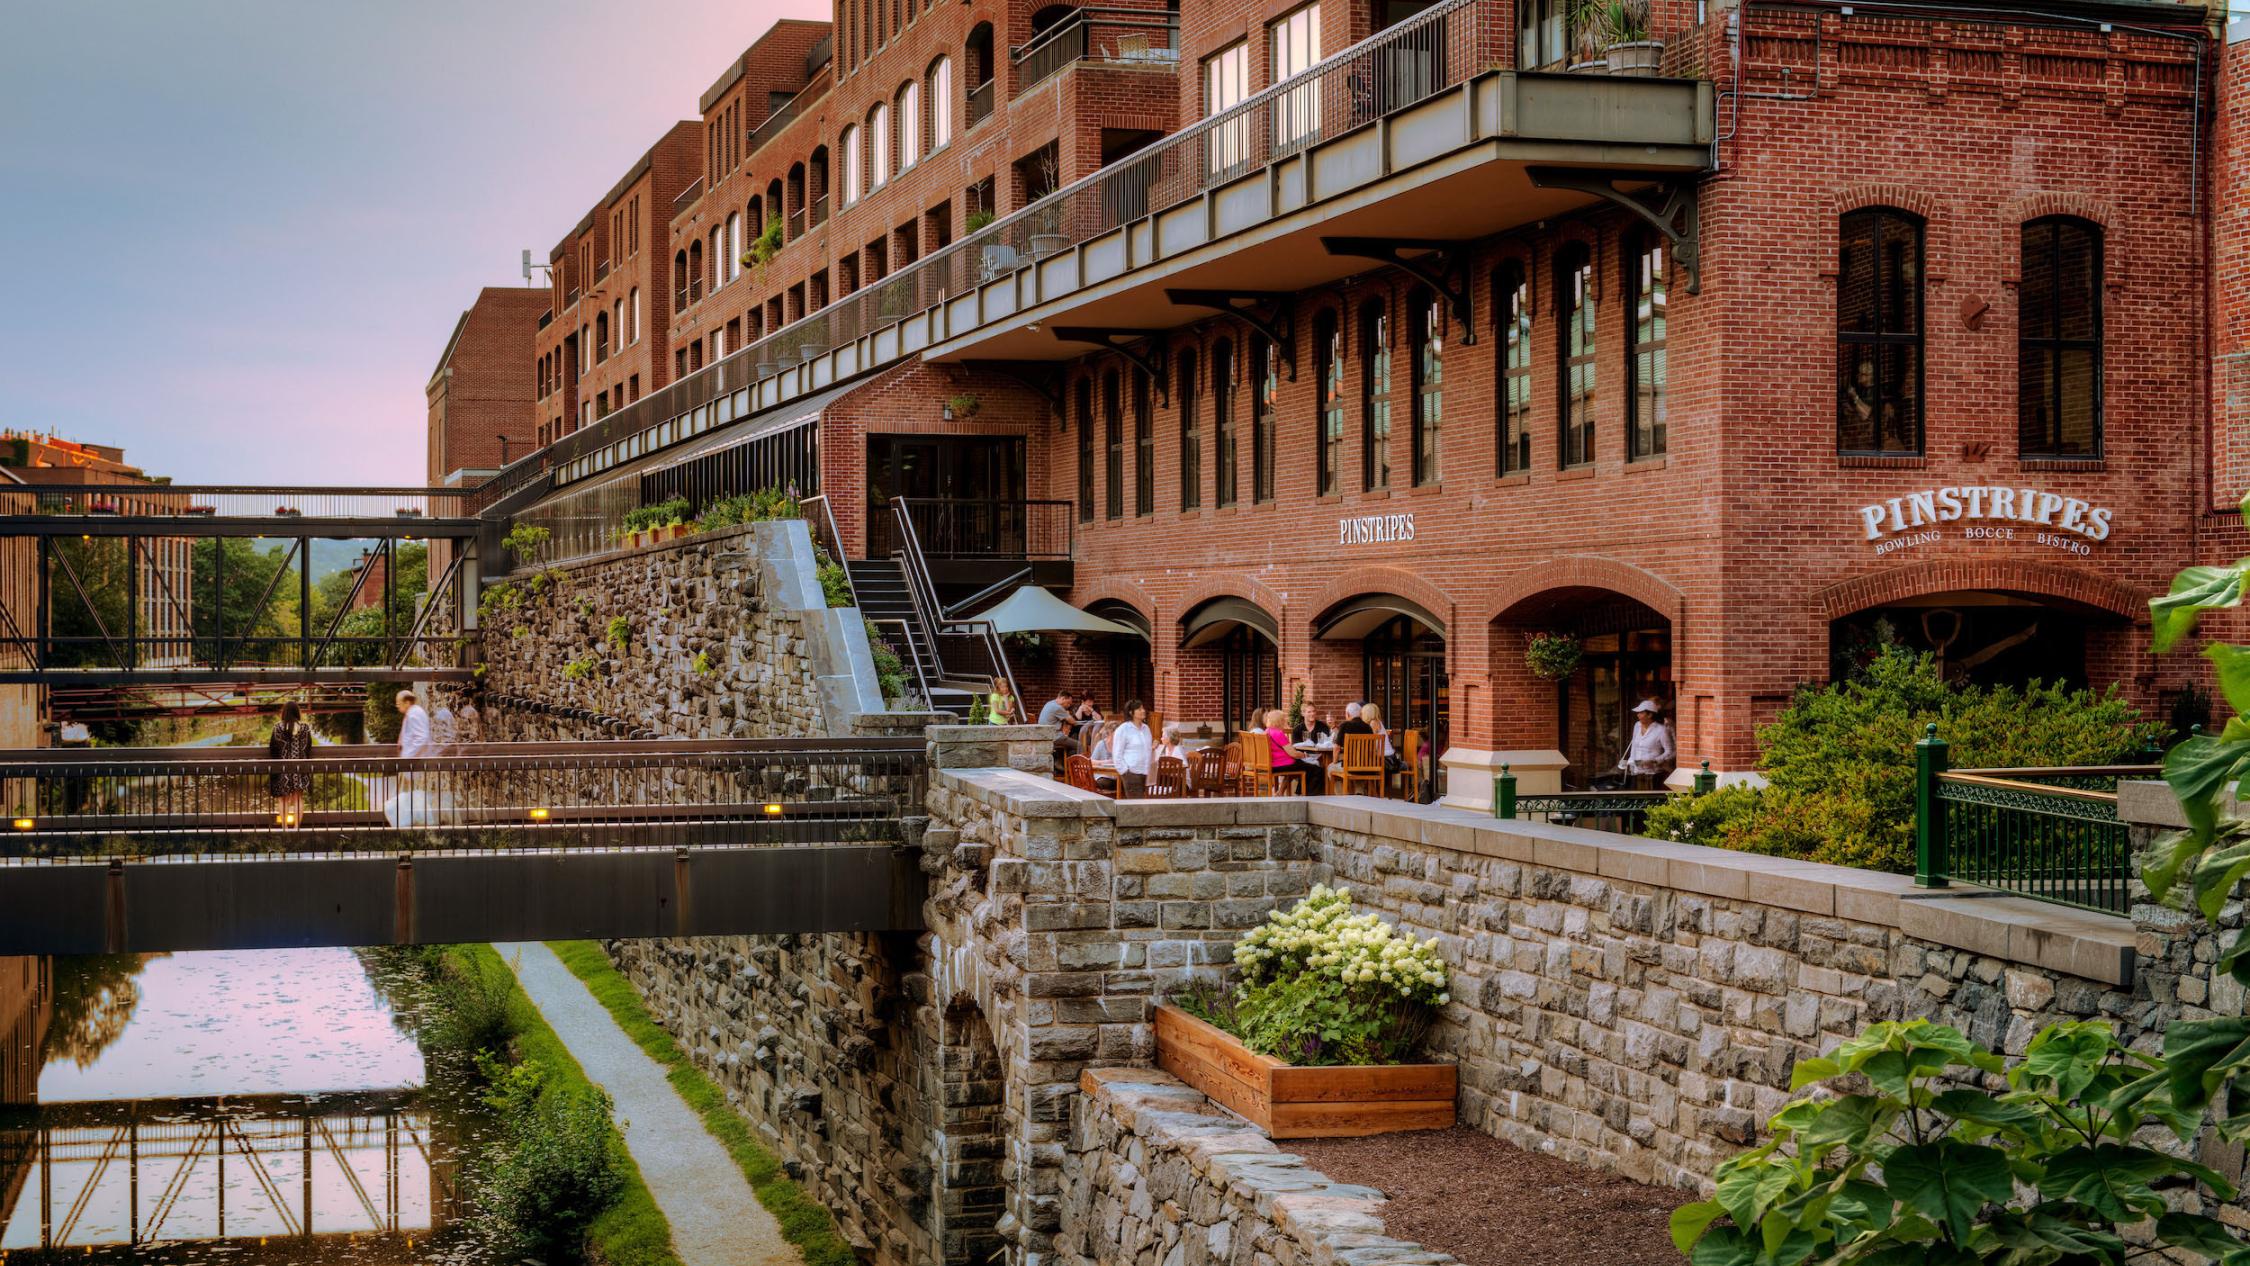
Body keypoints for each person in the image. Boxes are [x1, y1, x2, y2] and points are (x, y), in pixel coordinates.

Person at [267, 701, 313, 828]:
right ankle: (297, 828)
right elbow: (308, 748)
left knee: (283, 799)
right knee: (298, 798)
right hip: (300, 768)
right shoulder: (305, 728)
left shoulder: (277, 728)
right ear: (297, 712)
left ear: (284, 713)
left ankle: (285, 828)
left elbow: (273, 749)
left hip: (282, 769)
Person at [1618, 698, 1676, 789]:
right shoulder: (1637, 725)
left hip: (1652, 773)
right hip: (1636, 771)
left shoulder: (1661, 730)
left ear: (1650, 714)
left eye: (1641, 713)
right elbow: (1634, 746)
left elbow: (1669, 751)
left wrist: (1655, 761)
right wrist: (1631, 762)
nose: (1638, 715)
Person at [1111, 700, 1153, 799]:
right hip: (1131, 773)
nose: (1143, 711)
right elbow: (1117, 754)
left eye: (1143, 708)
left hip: (1145, 773)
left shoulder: (1146, 728)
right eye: (1139, 709)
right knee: (1136, 808)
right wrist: (1126, 772)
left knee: (1142, 807)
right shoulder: (1123, 729)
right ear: (1131, 712)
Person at [1264, 708, 1313, 790]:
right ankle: (1308, 794)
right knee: (1314, 769)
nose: (1285, 721)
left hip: (1273, 764)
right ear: (1279, 721)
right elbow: (1293, 754)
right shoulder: (1278, 733)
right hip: (1282, 764)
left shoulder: (1267, 731)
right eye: (1283, 719)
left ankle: (1280, 793)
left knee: (1299, 767)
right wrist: (1303, 755)